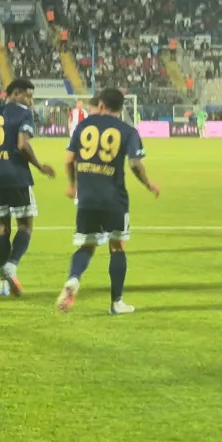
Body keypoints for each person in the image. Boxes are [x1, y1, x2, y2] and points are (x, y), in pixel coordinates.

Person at [57, 88, 160, 315]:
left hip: (86, 199)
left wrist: (73, 186)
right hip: (114, 199)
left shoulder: (83, 126)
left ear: (101, 105)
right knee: (117, 246)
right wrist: (148, 184)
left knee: (87, 245)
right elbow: (134, 164)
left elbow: (68, 160)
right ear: (121, 107)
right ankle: (116, 303)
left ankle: (73, 279)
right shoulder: (127, 130)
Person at [0, 78, 56, 297]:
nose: (30, 101)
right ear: (15, 94)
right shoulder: (23, 114)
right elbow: (22, 145)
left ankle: (3, 285)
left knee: (2, 230)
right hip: (17, 177)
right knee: (25, 225)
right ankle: (12, 264)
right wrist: (40, 166)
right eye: (28, 96)